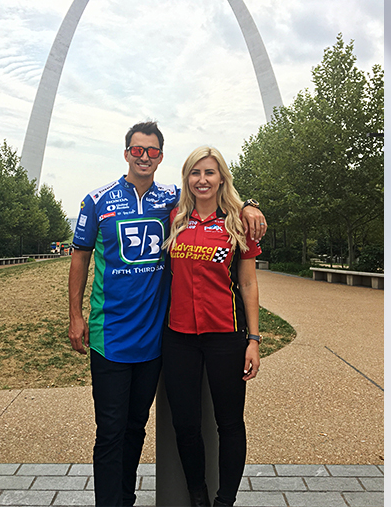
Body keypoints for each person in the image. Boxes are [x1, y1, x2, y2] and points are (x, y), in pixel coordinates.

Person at [68, 122, 266, 507]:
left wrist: (248, 203)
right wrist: (75, 316)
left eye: (152, 151)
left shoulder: (171, 200)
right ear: (126, 152)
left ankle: (148, 496)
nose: (144, 156)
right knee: (112, 430)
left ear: (161, 155)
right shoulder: (101, 201)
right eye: (137, 150)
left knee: (137, 428)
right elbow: (80, 257)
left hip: (161, 339)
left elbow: (217, 194)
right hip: (118, 335)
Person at [161, 146, 262, 507]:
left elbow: (248, 284)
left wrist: (254, 339)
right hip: (179, 338)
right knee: (185, 425)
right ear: (186, 178)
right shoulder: (173, 216)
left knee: (230, 423)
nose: (202, 180)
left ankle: (225, 500)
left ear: (221, 178)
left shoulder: (238, 222)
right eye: (195, 173)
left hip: (225, 337)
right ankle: (198, 494)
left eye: (209, 172)